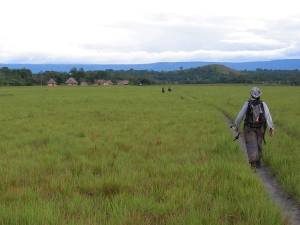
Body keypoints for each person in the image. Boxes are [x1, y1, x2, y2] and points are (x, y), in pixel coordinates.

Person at [234, 87, 274, 168]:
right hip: (260, 128)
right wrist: (271, 127)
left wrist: (236, 125)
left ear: (251, 94)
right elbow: (268, 116)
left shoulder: (247, 103)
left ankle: (253, 164)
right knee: (259, 144)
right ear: (260, 95)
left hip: (249, 128)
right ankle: (258, 162)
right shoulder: (263, 104)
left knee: (251, 145)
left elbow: (240, 116)